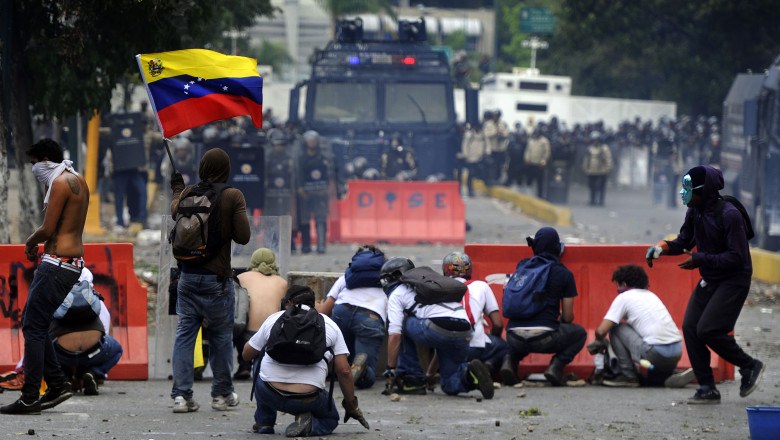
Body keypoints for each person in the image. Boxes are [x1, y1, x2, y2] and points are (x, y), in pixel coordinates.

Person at [645, 165, 765, 404]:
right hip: (710, 278)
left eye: (688, 189)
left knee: (709, 329)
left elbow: (737, 257)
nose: (683, 193)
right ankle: (707, 388)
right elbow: (683, 240)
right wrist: (661, 248)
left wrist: (700, 258)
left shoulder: (729, 214)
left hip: (734, 279)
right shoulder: (695, 210)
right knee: (690, 327)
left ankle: (750, 366)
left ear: (704, 190)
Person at [2, 139, 89, 415]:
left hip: (57, 263)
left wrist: (29, 243)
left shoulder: (61, 183)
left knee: (33, 326)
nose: (33, 169)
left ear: (45, 160)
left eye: (34, 163)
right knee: (35, 322)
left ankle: (30, 396)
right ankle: (57, 384)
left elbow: (48, 228)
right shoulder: (78, 180)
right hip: (69, 262)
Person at [169, 147, 251, 413]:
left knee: (185, 337)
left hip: (187, 278)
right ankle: (221, 394)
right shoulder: (232, 195)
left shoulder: (189, 193)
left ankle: (181, 397)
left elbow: (175, 211)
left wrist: (178, 189)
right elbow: (244, 236)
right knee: (220, 337)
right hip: (217, 281)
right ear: (226, 170)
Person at [242, 285, 369, 437]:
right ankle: (309, 425)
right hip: (308, 398)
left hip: (269, 393)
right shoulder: (329, 325)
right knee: (330, 419)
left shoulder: (275, 319)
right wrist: (350, 405)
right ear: (313, 304)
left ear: (287, 303)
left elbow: (246, 355)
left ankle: (265, 423)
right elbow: (344, 371)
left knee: (259, 358)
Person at [382, 257, 494, 399]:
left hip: (438, 329)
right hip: (464, 330)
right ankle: (469, 376)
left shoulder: (397, 292)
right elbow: (443, 338)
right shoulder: (430, 282)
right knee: (448, 384)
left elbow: (395, 334)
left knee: (402, 324)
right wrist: (430, 373)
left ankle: (412, 379)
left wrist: (390, 369)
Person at [504, 227, 587, 386]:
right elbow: (568, 317)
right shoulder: (564, 274)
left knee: (522, 335)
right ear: (557, 248)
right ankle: (555, 367)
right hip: (544, 339)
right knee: (580, 333)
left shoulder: (521, 267)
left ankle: (509, 361)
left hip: (513, 337)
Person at [588, 264, 688, 387]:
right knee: (654, 381)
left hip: (655, 353)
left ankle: (629, 376)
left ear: (624, 284)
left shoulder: (623, 297)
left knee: (615, 327)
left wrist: (599, 342)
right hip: (677, 351)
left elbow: (602, 331)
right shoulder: (652, 296)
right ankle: (669, 374)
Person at [317, 245, 387, 389]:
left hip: (342, 312)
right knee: (367, 376)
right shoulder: (386, 280)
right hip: (369, 317)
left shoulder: (347, 277)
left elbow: (325, 311)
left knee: (343, 357)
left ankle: (348, 368)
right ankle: (363, 370)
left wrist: (318, 309)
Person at [441, 252, 513, 385]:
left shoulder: (439, 288)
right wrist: (493, 335)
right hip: (475, 347)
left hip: (446, 346)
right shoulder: (482, 286)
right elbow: (497, 324)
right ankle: (487, 366)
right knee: (504, 347)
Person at [51, 268, 123, 396]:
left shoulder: (53, 298)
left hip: (62, 354)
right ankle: (94, 373)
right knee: (117, 348)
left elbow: (39, 333)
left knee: (46, 349)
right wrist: (82, 372)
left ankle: (64, 378)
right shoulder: (95, 299)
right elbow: (105, 332)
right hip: (92, 352)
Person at [233, 248, 288, 380]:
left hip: (247, 338)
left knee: (238, 324)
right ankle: (265, 365)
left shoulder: (241, 278)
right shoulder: (282, 282)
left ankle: (244, 364)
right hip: (272, 337)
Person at [297, 130, 331, 254]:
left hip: (320, 192)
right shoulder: (301, 158)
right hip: (305, 192)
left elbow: (328, 174)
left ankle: (321, 245)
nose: (312, 143)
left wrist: (327, 189)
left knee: (321, 218)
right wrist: (300, 188)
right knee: (305, 220)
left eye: (314, 140)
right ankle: (306, 246)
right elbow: (298, 174)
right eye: (310, 141)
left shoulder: (323, 157)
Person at [264, 128, 297, 252]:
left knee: (284, 220)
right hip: (270, 194)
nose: (280, 147)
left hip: (285, 193)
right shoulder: (267, 158)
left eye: (282, 145)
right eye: (277, 145)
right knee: (271, 219)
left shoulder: (289, 158)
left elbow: (292, 176)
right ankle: (271, 244)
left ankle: (289, 245)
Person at [582, 131, 613, 206]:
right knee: (592, 186)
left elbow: (608, 159)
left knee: (601, 187)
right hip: (591, 171)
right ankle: (592, 200)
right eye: (594, 139)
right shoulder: (589, 148)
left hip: (601, 171)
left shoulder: (604, 148)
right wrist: (584, 168)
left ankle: (601, 201)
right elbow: (586, 159)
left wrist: (608, 168)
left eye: (597, 139)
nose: (595, 141)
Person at [459, 122, 489, 197]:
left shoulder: (483, 135)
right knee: (471, 174)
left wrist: (487, 153)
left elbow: (487, 144)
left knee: (479, 173)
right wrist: (465, 155)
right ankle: (470, 190)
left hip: (480, 157)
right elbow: (465, 145)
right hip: (470, 158)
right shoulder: (469, 135)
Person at [524, 128, 551, 198]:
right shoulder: (531, 141)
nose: (536, 134)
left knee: (540, 182)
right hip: (531, 164)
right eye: (535, 133)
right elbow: (527, 151)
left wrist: (543, 162)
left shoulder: (544, 141)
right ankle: (528, 194)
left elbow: (547, 153)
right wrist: (527, 159)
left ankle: (540, 196)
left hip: (539, 165)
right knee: (529, 180)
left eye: (537, 133)